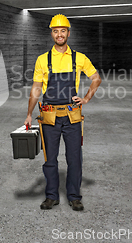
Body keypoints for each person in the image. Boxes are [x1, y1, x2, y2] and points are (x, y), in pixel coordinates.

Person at [24, 14, 102, 211]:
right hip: (49, 116)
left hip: (72, 116)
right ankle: (51, 196)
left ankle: (74, 196)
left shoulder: (79, 58)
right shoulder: (43, 60)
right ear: (52, 33)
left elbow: (96, 78)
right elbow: (36, 89)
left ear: (68, 32)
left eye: (63, 30)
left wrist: (85, 98)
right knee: (50, 159)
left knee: (74, 158)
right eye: (56, 31)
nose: (59, 34)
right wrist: (28, 113)